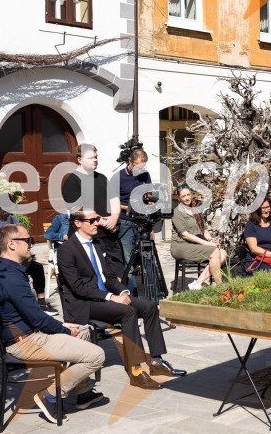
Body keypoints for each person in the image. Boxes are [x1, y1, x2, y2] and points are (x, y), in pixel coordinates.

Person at [0, 224, 106, 424]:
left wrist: (66, 327)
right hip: (25, 342)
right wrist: (63, 328)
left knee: (82, 332)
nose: (31, 244)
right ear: (12, 244)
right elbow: (37, 318)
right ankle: (49, 396)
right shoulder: (10, 277)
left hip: (27, 334)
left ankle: (83, 393)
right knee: (96, 356)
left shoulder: (5, 270)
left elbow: (33, 315)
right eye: (28, 240)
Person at [57, 208, 186, 389]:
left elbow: (108, 277)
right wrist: (111, 297)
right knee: (128, 312)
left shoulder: (97, 245)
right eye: (91, 221)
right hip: (84, 304)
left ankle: (156, 361)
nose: (97, 223)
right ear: (78, 223)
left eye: (98, 219)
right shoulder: (66, 250)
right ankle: (136, 371)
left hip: (103, 297)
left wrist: (123, 292)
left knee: (149, 307)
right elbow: (78, 287)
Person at [61, 144, 124, 278]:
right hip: (89, 237)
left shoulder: (101, 178)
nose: (95, 160)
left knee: (117, 274)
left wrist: (113, 218)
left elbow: (114, 199)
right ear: (79, 160)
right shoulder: (72, 180)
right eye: (91, 158)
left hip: (109, 235)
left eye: (96, 157)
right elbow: (77, 210)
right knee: (96, 276)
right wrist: (102, 222)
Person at [170, 184, 227, 289]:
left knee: (223, 253)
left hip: (195, 244)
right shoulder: (177, 212)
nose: (187, 198)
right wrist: (207, 243)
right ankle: (220, 287)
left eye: (188, 194)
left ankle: (197, 284)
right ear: (179, 198)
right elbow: (185, 235)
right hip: (180, 245)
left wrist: (211, 239)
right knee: (215, 252)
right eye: (183, 196)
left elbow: (204, 230)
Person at [116, 148, 154, 293]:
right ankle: (133, 296)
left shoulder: (145, 175)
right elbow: (112, 202)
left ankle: (153, 294)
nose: (140, 170)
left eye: (143, 167)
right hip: (126, 221)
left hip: (143, 221)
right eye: (138, 166)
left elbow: (149, 195)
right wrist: (129, 208)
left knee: (149, 260)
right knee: (129, 261)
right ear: (129, 162)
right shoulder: (118, 178)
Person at [243, 197, 271, 273]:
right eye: (263, 208)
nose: (266, 210)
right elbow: (254, 249)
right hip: (256, 259)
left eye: (268, 207)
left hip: (270, 257)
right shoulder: (250, 225)